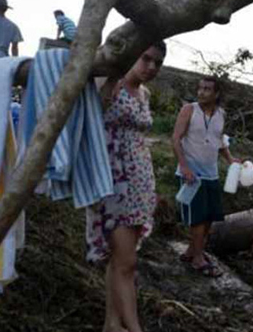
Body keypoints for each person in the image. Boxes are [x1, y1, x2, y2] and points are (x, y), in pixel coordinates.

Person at [86, 42, 166, 332]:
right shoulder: (109, 85)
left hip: (140, 182)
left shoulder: (143, 93)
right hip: (112, 183)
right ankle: (134, 329)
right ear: (131, 56)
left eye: (157, 62)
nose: (152, 67)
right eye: (146, 58)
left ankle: (112, 324)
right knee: (127, 262)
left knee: (121, 260)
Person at [172, 76, 240, 278]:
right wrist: (184, 167)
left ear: (216, 93)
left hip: (211, 174)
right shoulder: (189, 110)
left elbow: (220, 140)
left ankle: (192, 251)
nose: (201, 92)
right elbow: (175, 139)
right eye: (200, 88)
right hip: (192, 174)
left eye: (207, 89)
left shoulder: (221, 114)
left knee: (210, 216)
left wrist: (230, 159)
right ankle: (198, 258)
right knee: (198, 217)